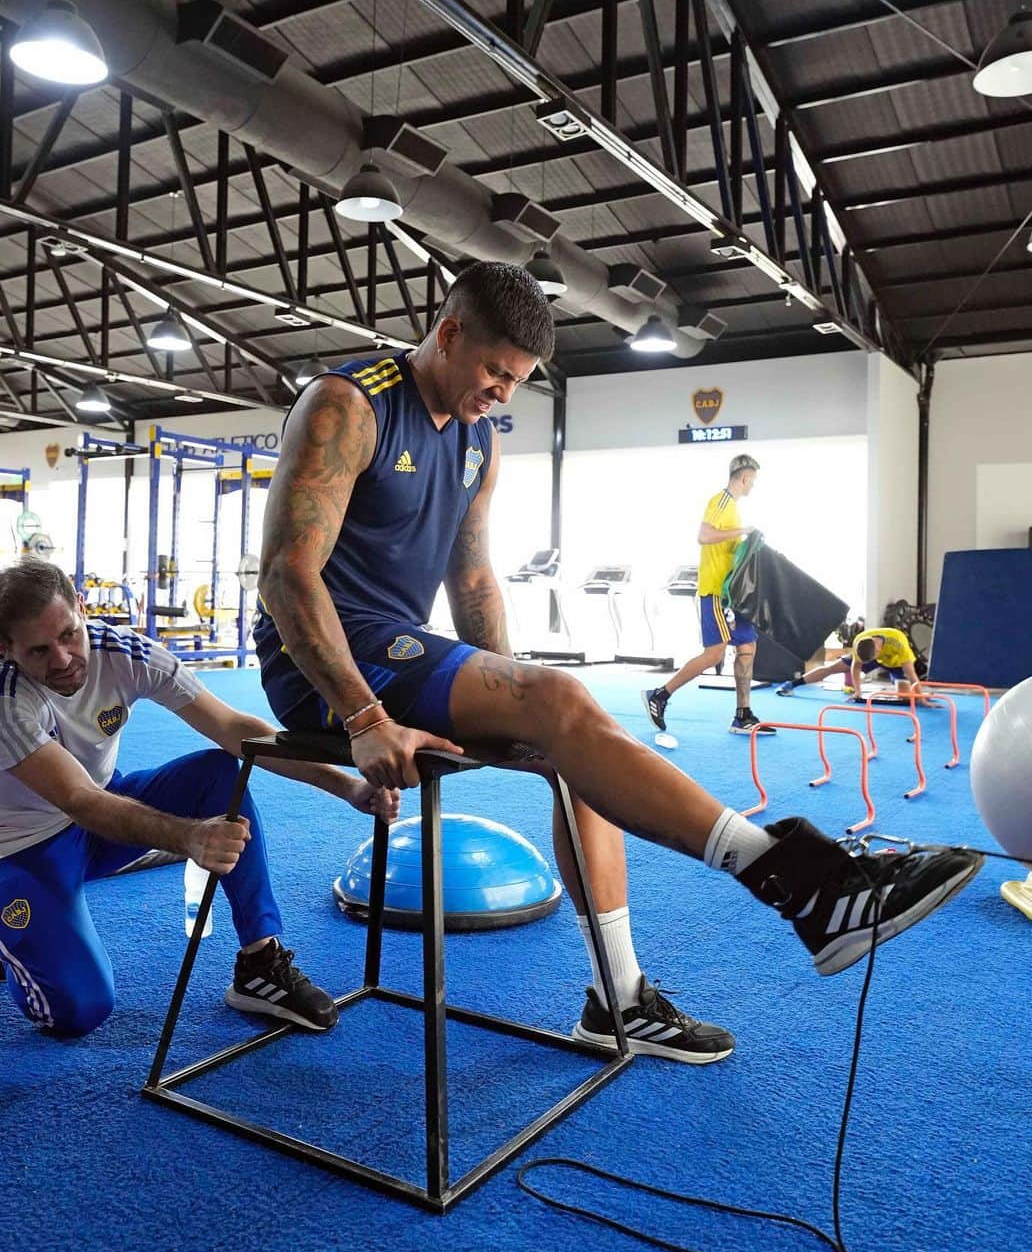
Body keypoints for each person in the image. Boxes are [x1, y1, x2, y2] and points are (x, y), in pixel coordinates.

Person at [253, 261, 982, 1066]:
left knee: (571, 741)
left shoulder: (479, 441)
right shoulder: (347, 406)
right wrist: (363, 717)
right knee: (557, 702)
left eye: (518, 382)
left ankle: (618, 998)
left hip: (399, 650)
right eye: (495, 371)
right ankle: (800, 883)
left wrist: (515, 701)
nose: (502, 392)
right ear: (449, 333)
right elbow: (288, 573)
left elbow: (472, 579)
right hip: (315, 663)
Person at [0, 560, 399, 1038]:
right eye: (39, 650)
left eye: (68, 634)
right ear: (2, 647)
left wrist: (347, 786)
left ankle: (260, 961)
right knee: (76, 1013)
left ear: (81, 609)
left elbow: (233, 729)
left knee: (219, 775)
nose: (62, 659)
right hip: (15, 847)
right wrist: (190, 836)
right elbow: (76, 798)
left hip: (99, 812)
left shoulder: (123, 651)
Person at [642, 453, 775, 739]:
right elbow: (704, 535)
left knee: (748, 648)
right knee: (714, 653)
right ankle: (660, 695)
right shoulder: (721, 501)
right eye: (753, 481)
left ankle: (743, 714)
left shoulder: (734, 508)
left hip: (735, 594)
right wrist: (744, 531)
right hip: (715, 591)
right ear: (745, 477)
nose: (753, 486)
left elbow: (731, 549)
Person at [776, 625, 921, 700]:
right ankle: (792, 684)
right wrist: (858, 691)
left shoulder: (899, 643)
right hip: (870, 655)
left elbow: (912, 675)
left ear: (878, 651)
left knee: (905, 697)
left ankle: (896, 681)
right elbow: (855, 667)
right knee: (832, 668)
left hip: (894, 661)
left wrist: (921, 697)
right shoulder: (861, 641)